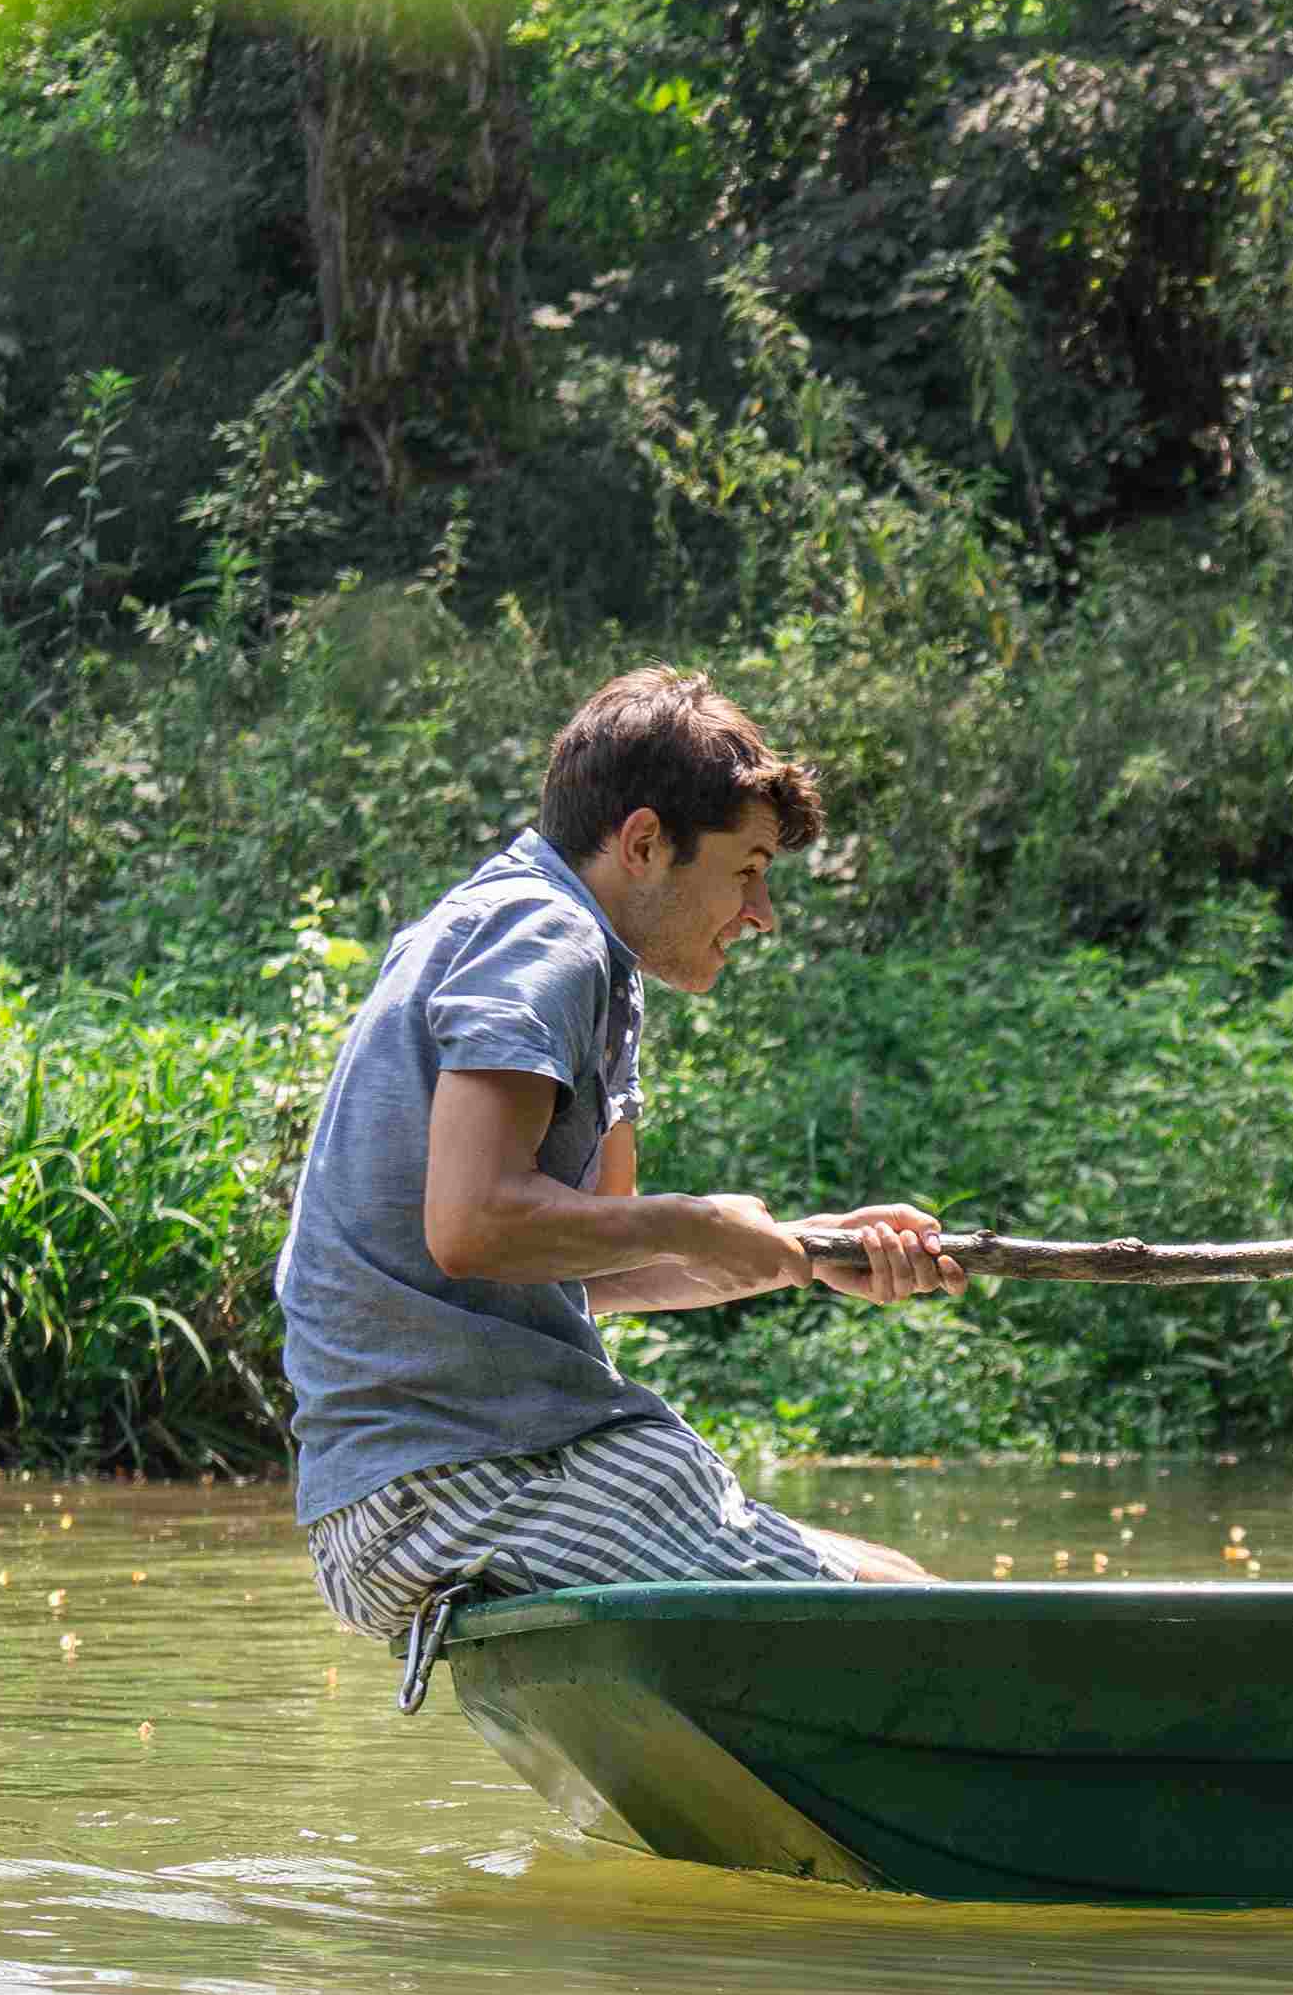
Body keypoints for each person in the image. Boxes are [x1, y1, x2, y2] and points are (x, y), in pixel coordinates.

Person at [281, 667, 966, 1688]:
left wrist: (807, 1254)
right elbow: (469, 1225)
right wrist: (695, 1221)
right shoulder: (544, 935)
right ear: (644, 843)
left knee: (891, 1576)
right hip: (456, 1479)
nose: (763, 912)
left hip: (436, 1480)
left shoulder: (574, 954)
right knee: (904, 1622)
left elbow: (587, 1262)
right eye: (747, 869)